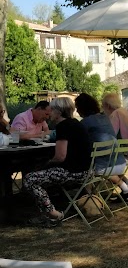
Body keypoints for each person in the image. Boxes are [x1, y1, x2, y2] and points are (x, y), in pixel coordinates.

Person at [23, 97, 91, 226]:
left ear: (59, 112)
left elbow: (60, 157)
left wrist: (45, 165)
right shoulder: (76, 123)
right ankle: (46, 213)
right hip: (86, 170)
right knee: (38, 175)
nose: (50, 113)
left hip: (73, 172)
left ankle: (53, 214)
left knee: (29, 179)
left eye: (52, 110)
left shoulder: (63, 126)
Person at [74, 93, 128, 201]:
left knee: (86, 168)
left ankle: (91, 199)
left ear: (81, 108)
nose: (76, 111)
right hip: (121, 162)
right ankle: (127, 187)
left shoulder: (85, 122)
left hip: (105, 167)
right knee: (100, 163)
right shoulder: (105, 118)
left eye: (77, 108)